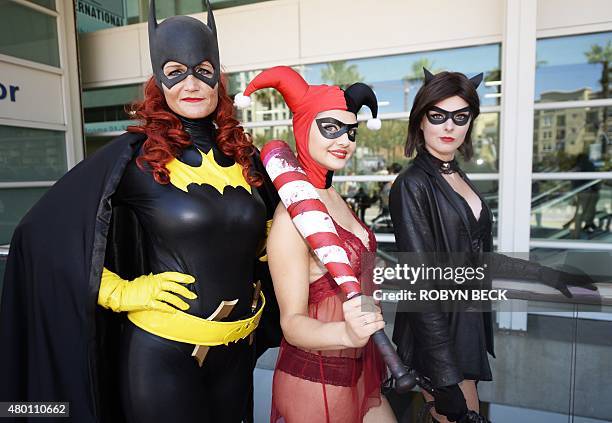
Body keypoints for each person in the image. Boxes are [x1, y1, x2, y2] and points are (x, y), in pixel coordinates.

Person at [0, 2, 280, 422]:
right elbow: (40, 238)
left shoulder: (245, 158)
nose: (191, 83)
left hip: (237, 353)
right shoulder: (137, 158)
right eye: (175, 71)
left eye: (202, 70)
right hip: (162, 358)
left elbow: (272, 236)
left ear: (217, 77)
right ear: (158, 80)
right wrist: (122, 292)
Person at [389, 69, 597, 423]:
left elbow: (479, 257)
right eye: (437, 116)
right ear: (420, 120)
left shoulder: (456, 175)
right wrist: (444, 377)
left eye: (460, 116)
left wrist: (547, 274)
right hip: (439, 334)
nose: (448, 126)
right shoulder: (411, 185)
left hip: (466, 323)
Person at [237, 66, 396, 422]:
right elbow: (291, 323)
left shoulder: (335, 198)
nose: (345, 141)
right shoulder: (289, 220)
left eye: (351, 131)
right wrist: (346, 332)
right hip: (316, 381)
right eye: (331, 128)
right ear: (303, 126)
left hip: (360, 373)